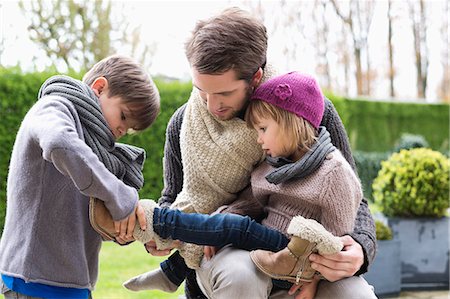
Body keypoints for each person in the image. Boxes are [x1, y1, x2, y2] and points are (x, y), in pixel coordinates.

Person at [131, 7, 377, 299]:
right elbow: (172, 197)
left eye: (224, 94)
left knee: (354, 294)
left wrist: (359, 249)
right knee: (241, 277)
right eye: (202, 91)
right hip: (225, 249)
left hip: (302, 251)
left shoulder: (306, 111)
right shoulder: (183, 124)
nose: (212, 105)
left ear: (256, 77)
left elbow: (351, 194)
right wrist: (161, 238)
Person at [0, 55, 160, 299]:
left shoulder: (94, 147)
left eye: (128, 130)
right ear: (99, 87)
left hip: (73, 281)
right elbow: (59, 142)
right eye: (124, 117)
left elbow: (90, 216)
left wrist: (139, 231)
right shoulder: (54, 108)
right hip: (34, 280)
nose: (121, 131)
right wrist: (121, 196)